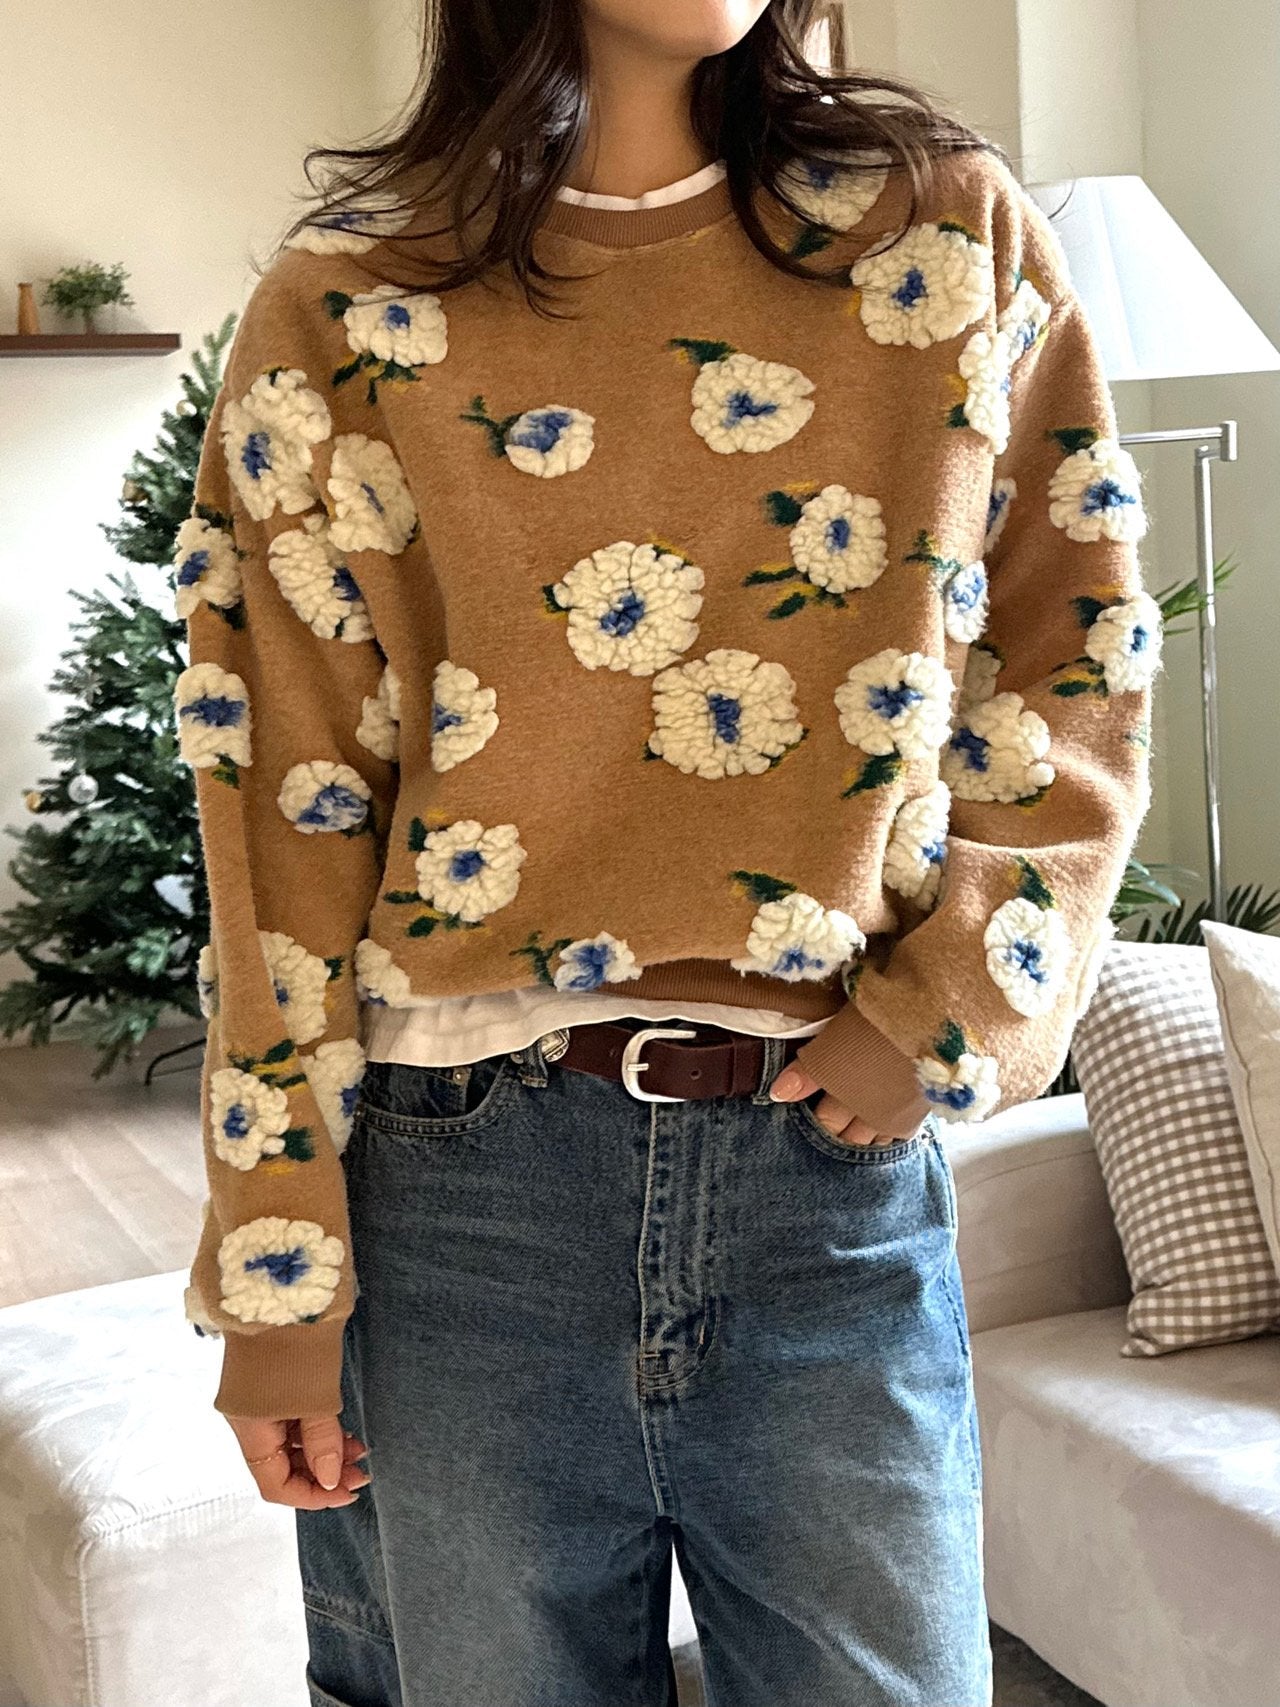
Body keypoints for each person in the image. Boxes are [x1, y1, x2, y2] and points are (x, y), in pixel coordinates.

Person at [172, 1, 1158, 1701]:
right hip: (456, 1198)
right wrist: (278, 1272)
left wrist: (954, 1007)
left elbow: (1079, 652)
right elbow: (282, 813)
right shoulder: (342, 305)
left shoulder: (943, 231)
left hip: (824, 1180)